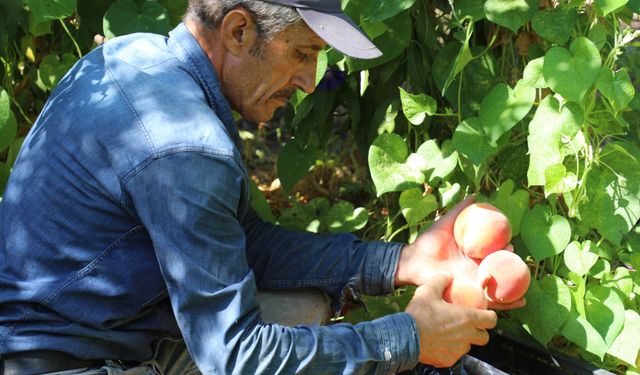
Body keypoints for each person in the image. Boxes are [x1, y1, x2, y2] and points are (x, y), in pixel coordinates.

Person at [0, 0, 523, 374]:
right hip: (66, 358)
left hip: (87, 326)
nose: (310, 81)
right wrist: (406, 340)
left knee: (301, 310)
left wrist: (397, 263)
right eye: (300, 53)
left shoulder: (137, 57)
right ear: (237, 31)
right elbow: (236, 358)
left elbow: (239, 239)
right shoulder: (184, 145)